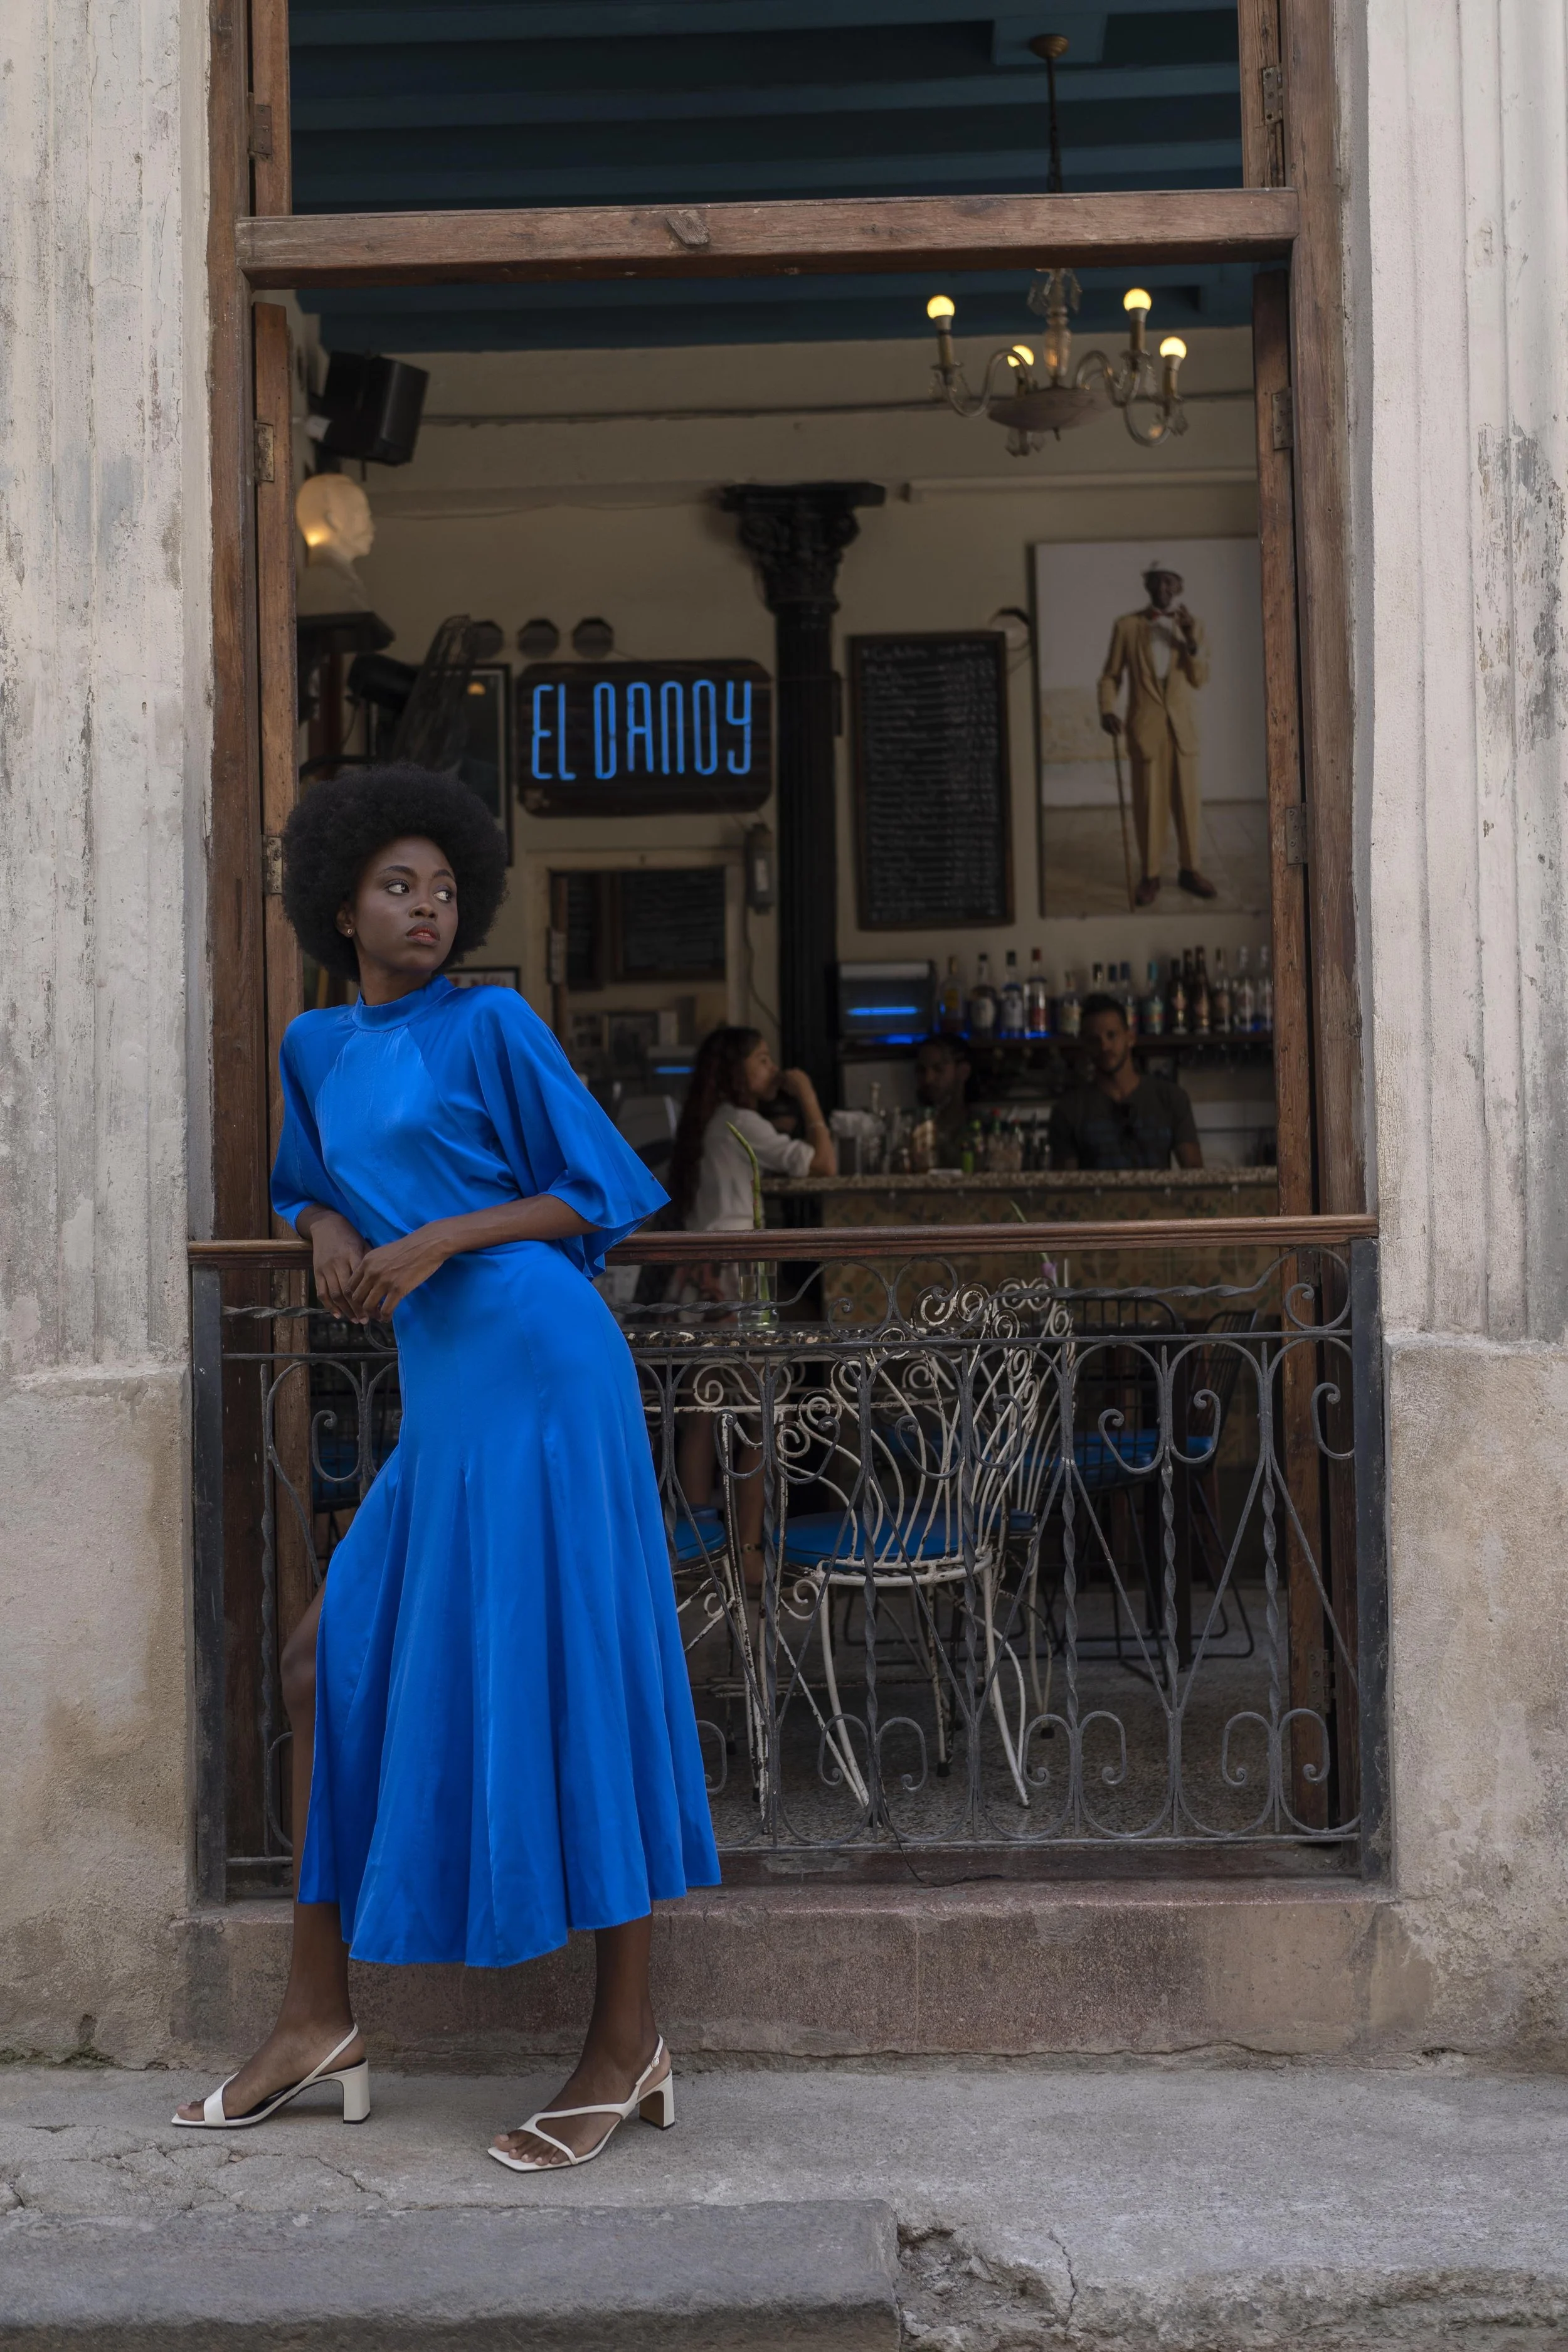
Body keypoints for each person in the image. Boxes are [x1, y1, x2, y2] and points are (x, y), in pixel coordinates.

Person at [174, 763, 719, 2172]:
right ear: (339, 906)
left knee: (575, 1672)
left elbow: (597, 1192)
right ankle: (315, 2017)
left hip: (541, 1367)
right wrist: (317, 1229)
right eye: (397, 886)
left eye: (444, 887)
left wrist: (436, 1239)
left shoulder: (493, 1021)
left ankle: (623, 2040)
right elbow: (307, 1174)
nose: (429, 907)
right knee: (318, 1664)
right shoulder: (312, 1045)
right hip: (446, 1396)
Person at [666, 1028, 835, 1562]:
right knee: (760, 1417)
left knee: (701, 1416)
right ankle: (749, 1552)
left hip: (700, 1283)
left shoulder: (706, 1126)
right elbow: (823, 1164)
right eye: (762, 1060)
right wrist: (807, 1096)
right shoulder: (742, 1123)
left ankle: (698, 1552)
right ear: (739, 1072)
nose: (772, 1068)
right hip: (736, 1285)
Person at [1098, 562, 1217, 906]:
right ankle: (1150, 875)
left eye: (1169, 582)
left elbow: (1200, 679)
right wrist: (1107, 709)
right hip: (1146, 730)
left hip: (1184, 732)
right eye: (1156, 582)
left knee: (1188, 805)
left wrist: (1191, 642)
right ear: (1147, 586)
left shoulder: (1195, 627)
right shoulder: (1127, 627)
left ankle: (1190, 870)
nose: (1163, 588)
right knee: (1149, 805)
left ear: (1179, 588)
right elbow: (1110, 676)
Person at [1049, 992, 1203, 1171]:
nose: (1104, 1047)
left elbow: (1194, 1173)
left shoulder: (1171, 1098)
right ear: (1085, 1045)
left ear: (1130, 1038)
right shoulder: (1069, 1110)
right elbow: (1065, 1187)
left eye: (1112, 1035)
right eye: (1094, 1040)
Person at [914, 1034, 973, 1168]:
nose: (928, 1079)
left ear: (963, 1072)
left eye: (938, 1070)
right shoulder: (913, 1132)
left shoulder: (979, 1130)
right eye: (921, 1071)